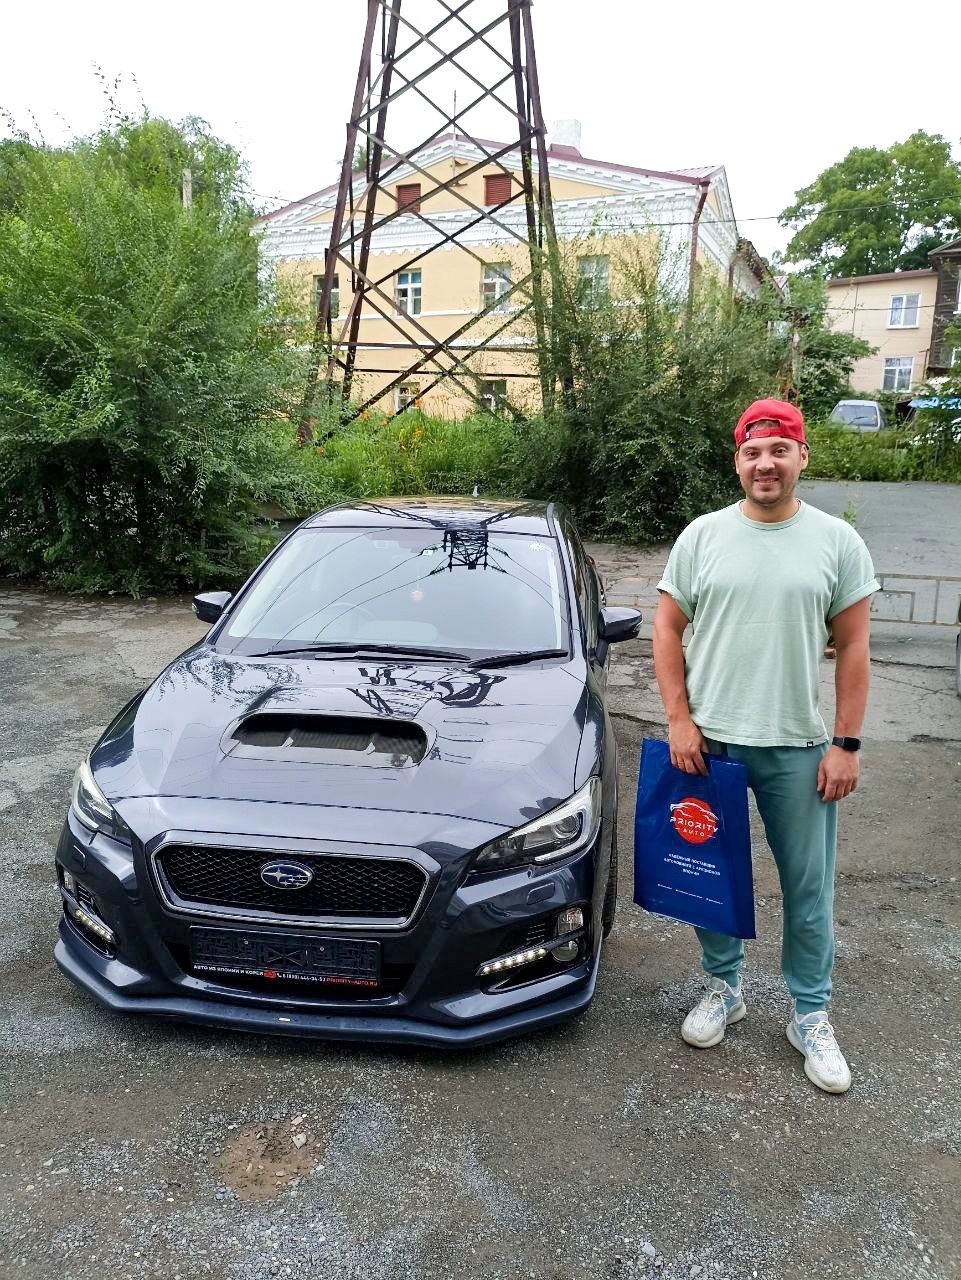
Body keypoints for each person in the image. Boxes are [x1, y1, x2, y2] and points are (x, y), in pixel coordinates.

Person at [652, 398, 878, 1094]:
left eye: (779, 450)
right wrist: (678, 719)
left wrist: (845, 743)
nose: (765, 464)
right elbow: (666, 629)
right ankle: (724, 988)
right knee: (707, 875)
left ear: (801, 456)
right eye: (752, 452)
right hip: (709, 744)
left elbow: (854, 646)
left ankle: (810, 1014)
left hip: (797, 746)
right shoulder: (702, 537)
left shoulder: (836, 542)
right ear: (738, 461)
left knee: (808, 887)